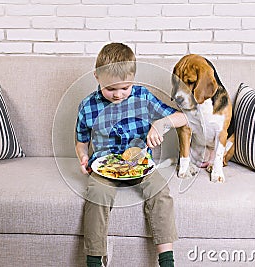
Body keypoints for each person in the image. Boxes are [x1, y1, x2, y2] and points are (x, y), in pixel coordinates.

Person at [75, 42, 187, 267]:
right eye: (110, 89)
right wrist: (83, 158)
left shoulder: (143, 97)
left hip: (140, 163)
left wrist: (161, 123)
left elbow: (183, 118)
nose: (118, 95)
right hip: (104, 166)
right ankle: (94, 261)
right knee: (96, 194)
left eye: (124, 88)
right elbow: (81, 141)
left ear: (134, 79)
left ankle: (167, 260)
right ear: (97, 77)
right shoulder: (87, 106)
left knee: (160, 191)